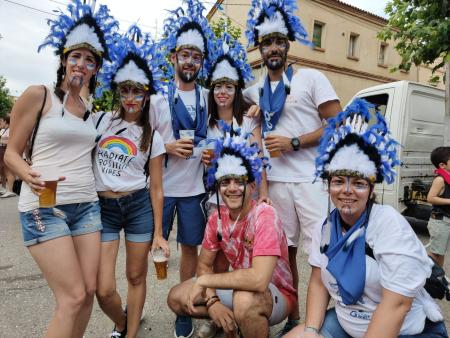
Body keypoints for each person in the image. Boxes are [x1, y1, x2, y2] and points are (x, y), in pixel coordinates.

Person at [284, 99, 448, 338]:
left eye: (359, 183)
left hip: (406, 331)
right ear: (328, 186)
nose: (347, 191)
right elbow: (319, 281)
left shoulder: (388, 224)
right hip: (347, 325)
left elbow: (396, 304)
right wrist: (310, 330)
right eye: (338, 181)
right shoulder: (327, 226)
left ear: (372, 190)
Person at [4, 1, 118, 337]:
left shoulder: (89, 108)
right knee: (71, 297)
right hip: (45, 206)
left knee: (85, 298)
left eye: (90, 60)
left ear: (95, 69)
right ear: (64, 60)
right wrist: (25, 173)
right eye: (76, 57)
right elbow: (10, 154)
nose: (81, 64)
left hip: (87, 207)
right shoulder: (39, 95)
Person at [244, 0, 342, 331]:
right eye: (266, 42)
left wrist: (295, 142)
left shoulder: (311, 78)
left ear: (287, 45)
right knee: (284, 256)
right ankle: (296, 316)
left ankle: (321, 322)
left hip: (312, 181)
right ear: (260, 49)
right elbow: (252, 139)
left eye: (278, 41)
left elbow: (336, 123)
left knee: (321, 254)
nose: (273, 48)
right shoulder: (256, 91)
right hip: (276, 183)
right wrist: (261, 188)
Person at [167, 126, 297, 338]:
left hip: (276, 295)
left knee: (244, 300)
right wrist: (212, 301)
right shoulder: (216, 218)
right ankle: (230, 319)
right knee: (176, 297)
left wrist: (205, 282)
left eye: (239, 181)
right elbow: (204, 265)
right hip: (240, 289)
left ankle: (246, 319)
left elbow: (258, 280)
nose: (232, 188)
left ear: (252, 186)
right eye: (225, 182)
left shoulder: (265, 215)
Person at [93, 25, 169, 338]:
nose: (130, 98)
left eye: (137, 91)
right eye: (125, 90)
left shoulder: (154, 137)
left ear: (146, 93)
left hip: (138, 206)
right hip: (104, 208)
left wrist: (159, 234)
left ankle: (131, 332)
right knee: (103, 286)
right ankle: (122, 321)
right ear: (118, 91)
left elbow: (157, 188)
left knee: (136, 276)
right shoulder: (100, 121)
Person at [153, 1, 215, 336]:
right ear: (174, 57)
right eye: (184, 54)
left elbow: (221, 130)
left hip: (193, 191)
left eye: (196, 56)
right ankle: (133, 307)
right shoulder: (158, 96)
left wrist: (210, 155)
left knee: (189, 250)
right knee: (151, 247)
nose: (190, 61)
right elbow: (144, 140)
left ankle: (185, 308)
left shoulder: (208, 96)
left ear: (201, 62)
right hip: (162, 188)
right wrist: (167, 147)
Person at [203, 32, 269, 209]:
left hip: (248, 197)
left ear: (237, 91)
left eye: (229, 87)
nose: (222, 92)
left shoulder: (249, 119)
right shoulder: (206, 121)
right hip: (218, 200)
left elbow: (259, 157)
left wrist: (264, 194)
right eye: (218, 86)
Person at [426, 146, 450, 267]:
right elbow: (430, 198)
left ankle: (438, 278)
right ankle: (430, 278)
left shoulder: (448, 177)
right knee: (435, 253)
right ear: (442, 165)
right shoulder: (440, 180)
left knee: (441, 251)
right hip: (440, 221)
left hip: (446, 220)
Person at [0, 115, 16, 198]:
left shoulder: (10, 130)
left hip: (6, 151)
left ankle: (10, 190)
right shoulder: (3, 130)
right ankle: (4, 189)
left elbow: (11, 142)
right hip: (2, 151)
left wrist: (2, 140)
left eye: (1, 121)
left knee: (8, 171)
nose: (0, 123)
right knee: (3, 171)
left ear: (6, 121)